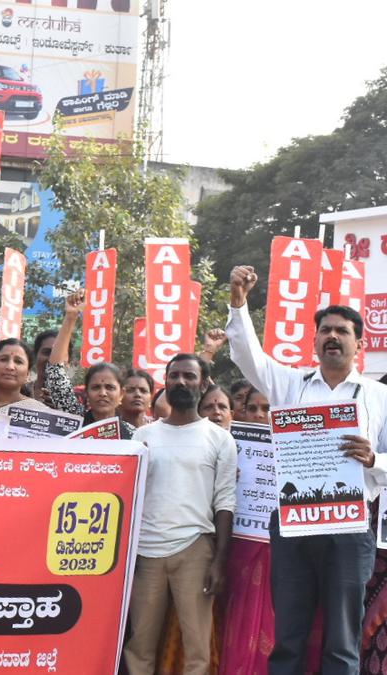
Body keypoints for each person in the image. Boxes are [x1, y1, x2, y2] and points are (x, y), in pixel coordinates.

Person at [225, 264, 387, 674]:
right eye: (325, 330)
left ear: (358, 344)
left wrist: (374, 460)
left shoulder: (379, 397)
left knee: (342, 639)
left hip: (350, 528)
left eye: (342, 331)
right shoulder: (291, 384)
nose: (332, 336)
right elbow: (248, 357)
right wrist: (239, 303)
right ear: (314, 341)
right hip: (295, 523)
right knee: (289, 636)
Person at [124, 353, 236, 675]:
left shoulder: (220, 439)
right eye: (174, 376)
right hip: (145, 552)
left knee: (197, 647)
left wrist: (219, 561)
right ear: (166, 382)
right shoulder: (143, 436)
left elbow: (225, 502)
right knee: (139, 645)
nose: (181, 382)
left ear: (203, 383)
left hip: (195, 550)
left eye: (189, 376)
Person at [45, 289, 134, 437]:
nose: (103, 393)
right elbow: (55, 371)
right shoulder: (74, 422)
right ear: (87, 393)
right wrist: (71, 317)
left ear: (121, 394)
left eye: (110, 387)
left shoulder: (133, 435)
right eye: (96, 387)